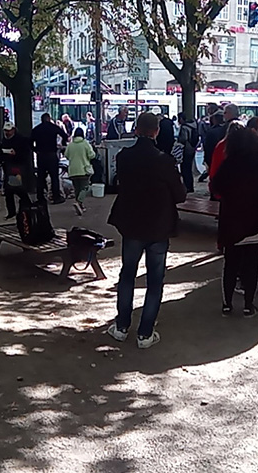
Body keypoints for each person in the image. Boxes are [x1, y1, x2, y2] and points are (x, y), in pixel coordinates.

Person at [107, 112, 186, 349]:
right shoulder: (165, 160)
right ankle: (145, 333)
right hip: (158, 226)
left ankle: (121, 326)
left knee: (127, 274)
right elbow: (180, 194)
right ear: (157, 131)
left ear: (136, 129)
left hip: (131, 225)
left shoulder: (124, 157)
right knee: (155, 279)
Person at [210, 127, 258, 318]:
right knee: (251, 266)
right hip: (255, 222)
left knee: (230, 263)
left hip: (231, 222)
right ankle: (248, 305)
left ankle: (227, 304)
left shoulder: (228, 164)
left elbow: (215, 188)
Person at [0, 121, 33, 219]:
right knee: (10, 190)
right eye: (5, 131)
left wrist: (16, 154)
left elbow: (25, 154)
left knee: (16, 189)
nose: (7, 133)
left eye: (8, 131)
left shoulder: (21, 140)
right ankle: (12, 211)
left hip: (17, 167)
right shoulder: (4, 140)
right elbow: (2, 154)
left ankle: (27, 207)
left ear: (13, 130)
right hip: (8, 167)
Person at [31, 112, 69, 204]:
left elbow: (29, 142)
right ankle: (56, 197)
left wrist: (35, 149)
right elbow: (65, 135)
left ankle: (40, 198)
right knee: (54, 177)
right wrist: (61, 144)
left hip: (41, 156)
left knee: (41, 177)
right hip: (52, 154)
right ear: (49, 118)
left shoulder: (36, 129)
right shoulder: (53, 127)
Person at [64, 127, 96, 216]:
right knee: (85, 187)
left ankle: (80, 206)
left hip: (73, 170)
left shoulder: (70, 145)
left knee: (77, 188)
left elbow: (66, 155)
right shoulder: (85, 143)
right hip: (83, 169)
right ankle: (79, 202)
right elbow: (92, 155)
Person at [177, 112, 199, 191]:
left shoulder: (184, 127)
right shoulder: (194, 126)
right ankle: (190, 186)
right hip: (192, 149)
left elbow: (183, 139)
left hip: (186, 149)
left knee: (185, 168)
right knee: (189, 168)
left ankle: (187, 186)